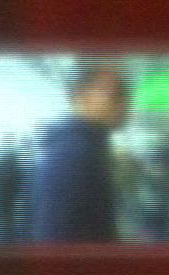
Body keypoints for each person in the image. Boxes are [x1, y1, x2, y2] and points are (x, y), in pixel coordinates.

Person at [31, 63, 128, 243]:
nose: (125, 104)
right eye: (116, 94)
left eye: (127, 96)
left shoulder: (88, 148)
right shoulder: (74, 155)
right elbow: (56, 239)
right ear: (80, 96)